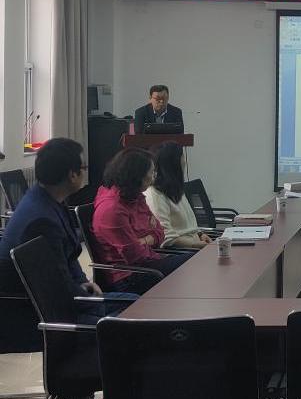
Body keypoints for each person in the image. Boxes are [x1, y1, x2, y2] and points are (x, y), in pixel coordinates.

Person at [0, 138, 137, 325]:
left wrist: (84, 284)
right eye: (83, 168)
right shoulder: (41, 220)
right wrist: (90, 300)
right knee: (134, 318)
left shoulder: (48, 199)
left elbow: (69, 257)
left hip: (65, 298)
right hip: (39, 314)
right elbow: (57, 286)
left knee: (136, 303)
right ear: (72, 175)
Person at [92, 148, 193, 295]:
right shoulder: (112, 209)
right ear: (136, 176)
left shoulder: (135, 197)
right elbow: (136, 256)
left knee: (196, 261)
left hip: (149, 263)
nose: (153, 178)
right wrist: (149, 237)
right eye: (150, 174)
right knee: (193, 262)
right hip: (129, 276)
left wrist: (144, 240)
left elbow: (160, 232)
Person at [145, 142, 212, 249]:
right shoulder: (155, 194)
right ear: (174, 164)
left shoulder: (175, 189)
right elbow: (165, 236)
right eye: (182, 157)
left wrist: (200, 234)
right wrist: (195, 245)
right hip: (181, 251)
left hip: (195, 246)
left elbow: (188, 226)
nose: (185, 162)